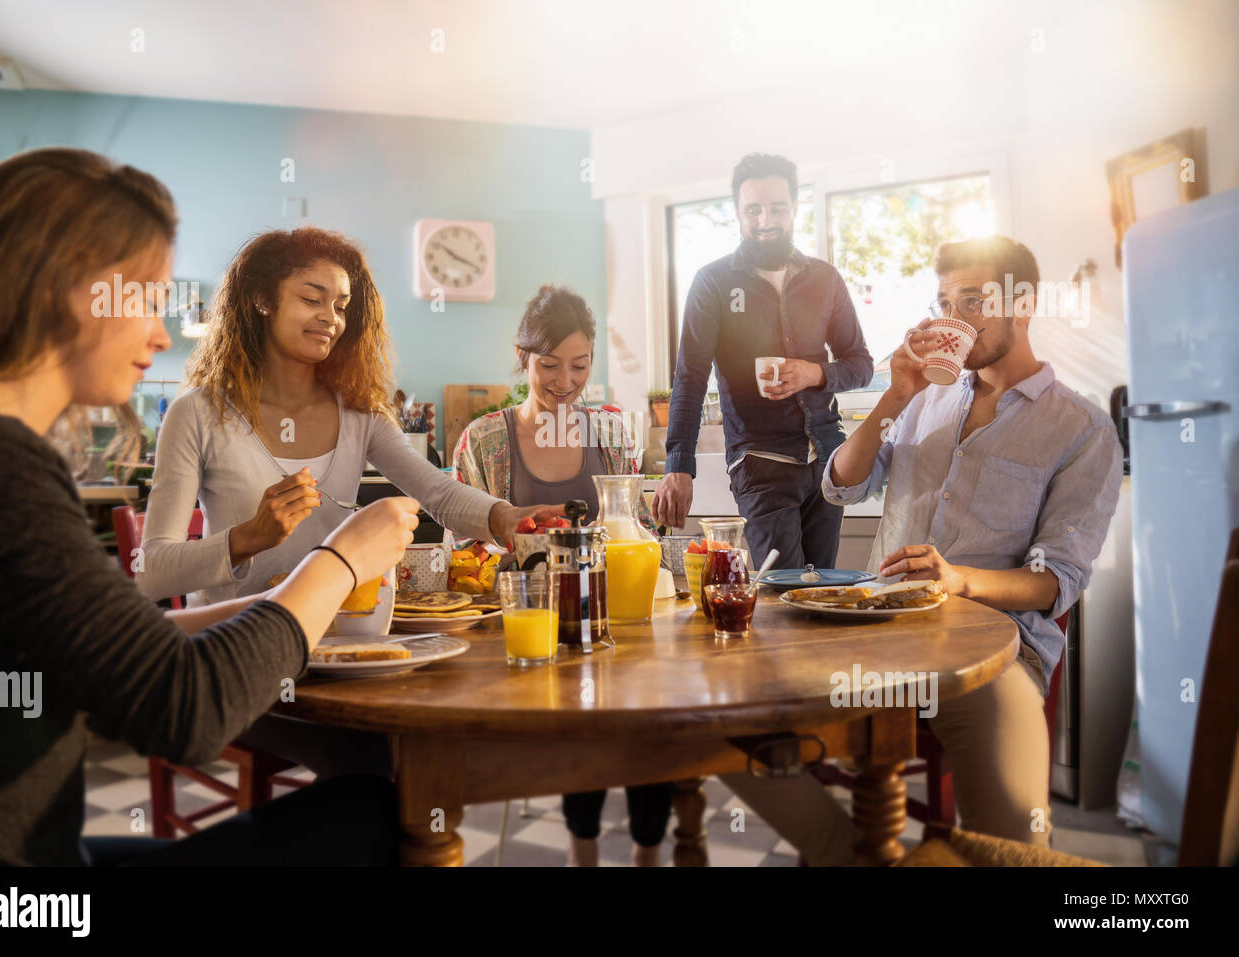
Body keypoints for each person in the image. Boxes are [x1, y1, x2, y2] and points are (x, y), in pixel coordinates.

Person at [0, 148, 417, 866]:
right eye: (147, 300)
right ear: (62, 289)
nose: (161, 335)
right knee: (373, 813)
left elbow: (111, 652)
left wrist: (285, 599)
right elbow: (184, 708)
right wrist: (340, 561)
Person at [725, 236, 1123, 859]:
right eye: (943, 301)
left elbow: (1055, 581)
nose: (953, 316)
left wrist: (958, 580)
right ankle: (849, 857)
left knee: (1012, 840)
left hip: (992, 652)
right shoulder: (922, 402)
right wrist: (895, 392)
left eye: (973, 298)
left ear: (1024, 303)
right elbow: (842, 485)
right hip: (878, 633)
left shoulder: (1082, 429)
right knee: (728, 714)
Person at [135, 227, 563, 779]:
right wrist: (248, 537)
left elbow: (435, 490)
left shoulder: (359, 412)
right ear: (262, 299)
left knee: (418, 745)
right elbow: (152, 572)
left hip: (342, 652)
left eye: (340, 305)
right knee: (384, 764)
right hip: (242, 659)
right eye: (311, 298)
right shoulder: (196, 413)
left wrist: (504, 515)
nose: (331, 318)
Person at [452, 285, 672, 866]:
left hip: (614, 620)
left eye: (579, 366)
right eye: (549, 365)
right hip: (532, 629)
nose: (564, 381)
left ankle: (649, 855)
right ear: (522, 356)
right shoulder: (486, 439)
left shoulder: (611, 431)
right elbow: (464, 558)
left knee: (655, 720)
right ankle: (584, 853)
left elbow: (638, 526)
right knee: (584, 719)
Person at [652, 152, 873, 569]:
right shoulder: (713, 282)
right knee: (783, 591)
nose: (765, 219)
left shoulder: (825, 279)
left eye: (776, 207)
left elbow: (860, 364)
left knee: (822, 591)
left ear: (794, 208)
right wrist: (679, 465)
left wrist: (815, 373)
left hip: (828, 457)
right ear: (738, 211)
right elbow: (691, 378)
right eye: (753, 209)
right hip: (759, 462)